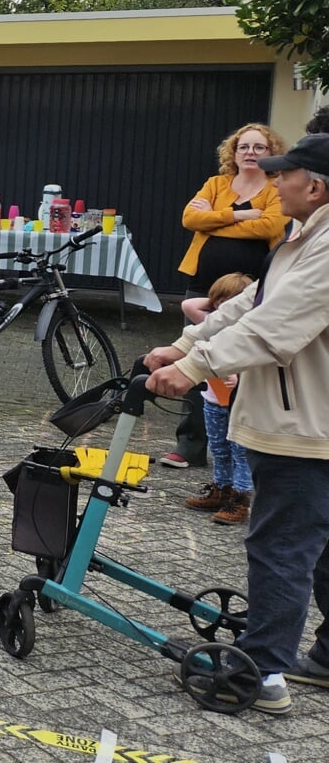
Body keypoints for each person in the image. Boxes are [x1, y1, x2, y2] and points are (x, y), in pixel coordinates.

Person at [145, 133, 329, 716]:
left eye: (284, 175)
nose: (274, 183)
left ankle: (265, 671)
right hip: (305, 417)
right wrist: (184, 343)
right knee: (318, 548)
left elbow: (276, 327)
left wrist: (196, 368)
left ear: (316, 186)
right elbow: (249, 304)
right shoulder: (302, 238)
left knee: (281, 547)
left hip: (304, 426)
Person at [164, 123, 289, 470]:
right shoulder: (216, 184)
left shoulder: (274, 186)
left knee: (239, 363)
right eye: (243, 147)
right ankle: (189, 444)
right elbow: (190, 218)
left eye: (259, 147)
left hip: (248, 288)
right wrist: (240, 214)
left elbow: (270, 226)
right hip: (203, 285)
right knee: (191, 352)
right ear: (232, 153)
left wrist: (214, 219)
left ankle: (239, 449)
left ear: (271, 152)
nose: (250, 153)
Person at [179, 272, 256, 525]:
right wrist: (216, 303)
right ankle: (221, 490)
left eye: (234, 301)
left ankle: (240, 499)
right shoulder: (211, 322)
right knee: (218, 449)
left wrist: (241, 379)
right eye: (222, 301)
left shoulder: (253, 330)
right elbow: (188, 305)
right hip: (213, 401)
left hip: (241, 404)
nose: (226, 307)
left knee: (240, 453)